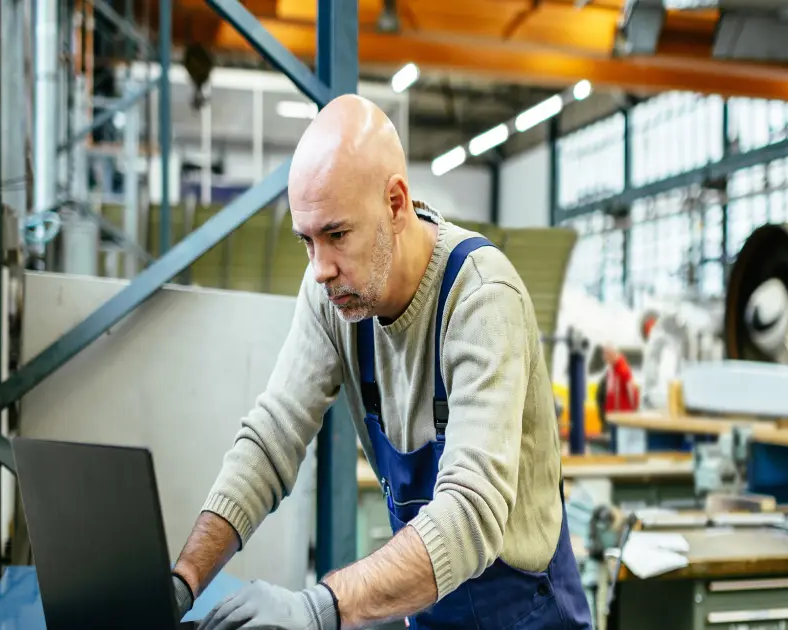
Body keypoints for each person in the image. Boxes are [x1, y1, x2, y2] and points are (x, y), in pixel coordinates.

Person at [168, 94, 592, 630]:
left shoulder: (482, 297)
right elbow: (273, 435)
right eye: (307, 241)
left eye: (337, 235)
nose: (320, 268)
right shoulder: (336, 292)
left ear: (396, 203)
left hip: (528, 615)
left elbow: (470, 517)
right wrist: (182, 583)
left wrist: (318, 607)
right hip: (432, 610)